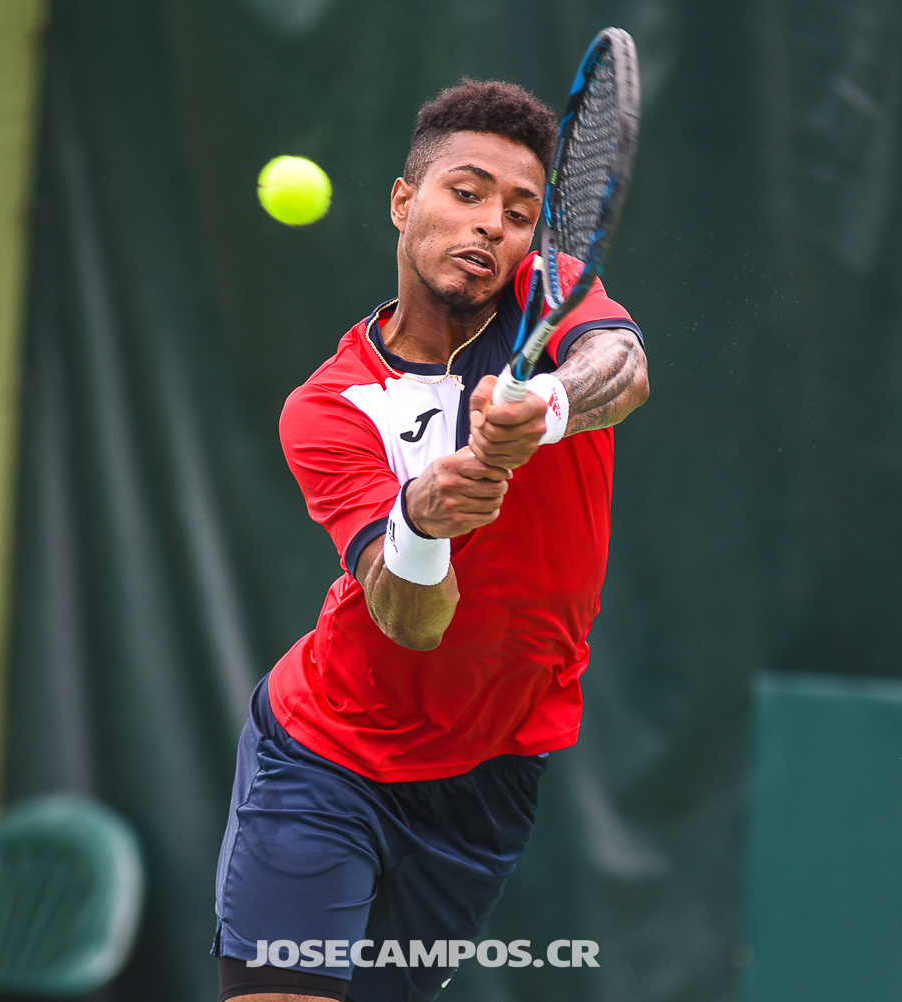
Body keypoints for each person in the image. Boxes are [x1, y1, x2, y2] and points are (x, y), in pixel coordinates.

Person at [212, 80, 648, 1002]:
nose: (492, 223)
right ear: (404, 201)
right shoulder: (330, 408)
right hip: (329, 752)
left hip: (491, 771)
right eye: (467, 191)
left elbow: (622, 368)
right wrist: (422, 524)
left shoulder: (550, 293)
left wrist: (546, 407)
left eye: (520, 212)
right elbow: (412, 620)